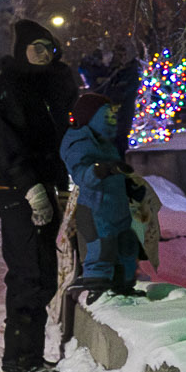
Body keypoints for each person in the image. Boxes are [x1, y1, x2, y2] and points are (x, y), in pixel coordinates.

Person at [0, 19, 78, 372]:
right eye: (35, 47)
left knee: (42, 278)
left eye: (47, 47)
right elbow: (6, 147)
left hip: (42, 192)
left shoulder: (44, 89)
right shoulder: (7, 90)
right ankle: (18, 363)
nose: (42, 53)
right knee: (27, 277)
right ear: (21, 50)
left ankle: (31, 357)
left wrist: (58, 183)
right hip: (18, 196)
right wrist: (31, 188)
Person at [61, 68, 140, 297]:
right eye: (107, 117)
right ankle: (97, 285)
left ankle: (123, 283)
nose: (113, 121)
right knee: (102, 246)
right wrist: (100, 171)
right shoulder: (80, 143)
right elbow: (81, 173)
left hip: (117, 209)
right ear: (90, 119)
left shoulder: (107, 144)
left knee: (126, 245)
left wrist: (128, 185)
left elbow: (116, 170)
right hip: (96, 209)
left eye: (113, 117)